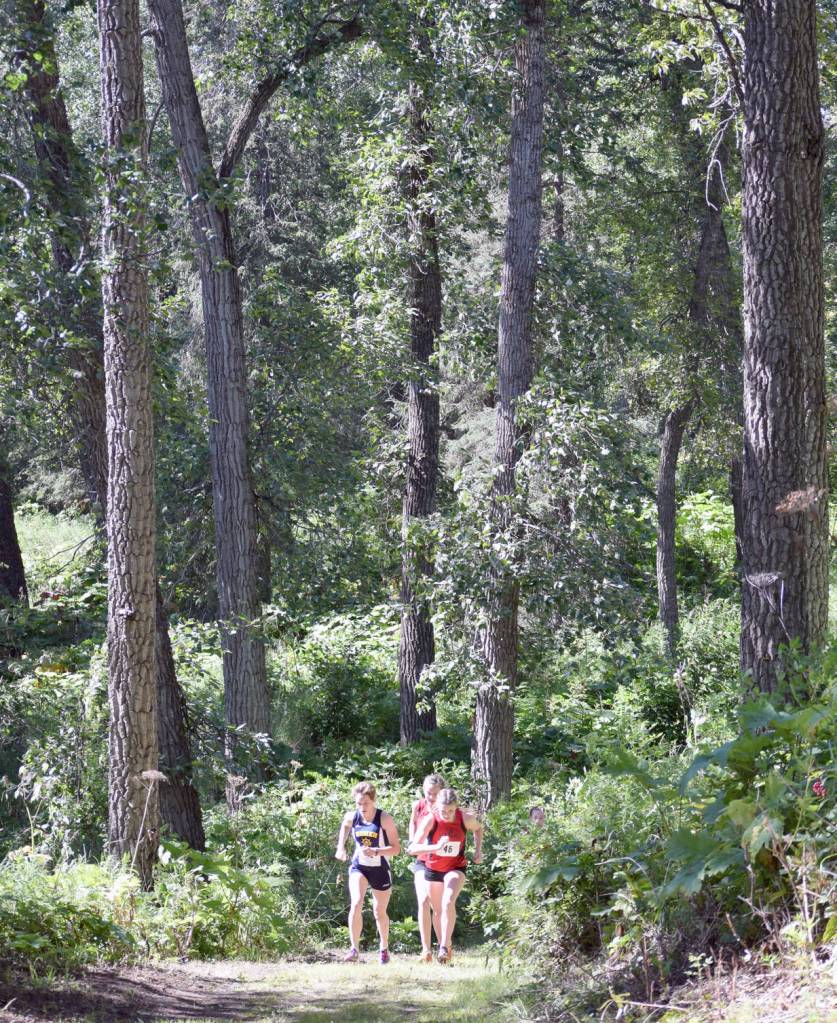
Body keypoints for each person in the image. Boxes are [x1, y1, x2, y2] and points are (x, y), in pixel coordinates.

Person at [408, 787, 483, 964]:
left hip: (455, 868)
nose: (447, 815)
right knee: (438, 911)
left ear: (456, 808)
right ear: (437, 807)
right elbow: (412, 849)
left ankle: (444, 945)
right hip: (433, 869)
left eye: (450, 811)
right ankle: (445, 948)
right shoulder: (430, 819)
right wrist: (435, 847)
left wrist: (478, 851)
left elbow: (479, 829)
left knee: (448, 901)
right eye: (443, 811)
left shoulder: (464, 818)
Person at [335, 781, 400, 963]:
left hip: (380, 868)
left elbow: (396, 849)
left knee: (379, 911)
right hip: (359, 866)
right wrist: (341, 848)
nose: (362, 808)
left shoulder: (384, 818)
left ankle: (384, 949)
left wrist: (377, 851)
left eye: (366, 804)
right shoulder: (352, 816)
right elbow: (345, 826)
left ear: (373, 801)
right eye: (359, 804)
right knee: (356, 903)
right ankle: (354, 949)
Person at [408, 772, 446, 962]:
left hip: (441, 863)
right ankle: (426, 950)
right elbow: (412, 829)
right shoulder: (418, 806)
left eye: (435, 794)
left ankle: (443, 948)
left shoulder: (447, 810)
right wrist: (412, 844)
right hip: (422, 861)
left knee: (437, 906)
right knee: (422, 901)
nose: (431, 798)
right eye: (428, 793)